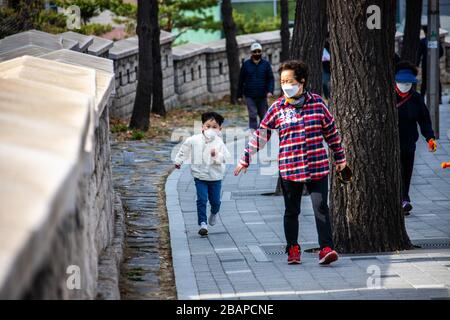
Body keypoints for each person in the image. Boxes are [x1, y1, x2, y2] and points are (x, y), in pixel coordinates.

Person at [234, 60, 347, 265]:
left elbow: (331, 133)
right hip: (290, 168)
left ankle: (326, 248)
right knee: (291, 211)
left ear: (302, 82)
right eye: (283, 81)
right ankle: (293, 249)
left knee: (321, 208)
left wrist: (340, 158)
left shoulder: (318, 104)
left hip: (317, 167)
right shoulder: (277, 108)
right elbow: (261, 135)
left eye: (290, 81)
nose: (286, 85)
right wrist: (245, 158)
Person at [174, 112, 231, 236]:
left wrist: (216, 155)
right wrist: (178, 161)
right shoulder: (194, 139)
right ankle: (203, 224)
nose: (210, 129)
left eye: (214, 127)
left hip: (215, 177)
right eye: (208, 126)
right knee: (202, 200)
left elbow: (226, 157)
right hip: (199, 176)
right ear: (202, 127)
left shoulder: (219, 143)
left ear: (219, 129)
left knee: (215, 201)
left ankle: (214, 212)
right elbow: (184, 149)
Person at [395, 61, 437, 215]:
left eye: (408, 83)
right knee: (397, 170)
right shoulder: (387, 96)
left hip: (409, 142)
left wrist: (430, 138)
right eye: (401, 82)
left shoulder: (416, 98)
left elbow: (424, 119)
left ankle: (404, 199)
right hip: (391, 143)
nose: (405, 86)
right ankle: (400, 199)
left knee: (407, 171)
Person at [237, 42, 275, 131]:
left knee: (263, 116)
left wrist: (270, 91)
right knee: (252, 115)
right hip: (249, 95)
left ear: (261, 52)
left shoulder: (266, 64)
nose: (257, 53)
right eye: (255, 51)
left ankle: (261, 133)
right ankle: (253, 132)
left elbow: (270, 79)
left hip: (262, 95)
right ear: (251, 53)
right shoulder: (246, 65)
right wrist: (239, 95)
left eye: (259, 51)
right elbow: (241, 80)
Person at [417, 25, 443, 102]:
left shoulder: (422, 41)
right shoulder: (436, 41)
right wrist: (435, 58)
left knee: (424, 81)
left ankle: (422, 98)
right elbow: (441, 53)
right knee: (437, 81)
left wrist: (417, 64)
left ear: (424, 32)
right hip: (434, 64)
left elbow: (419, 54)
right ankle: (439, 98)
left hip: (426, 64)